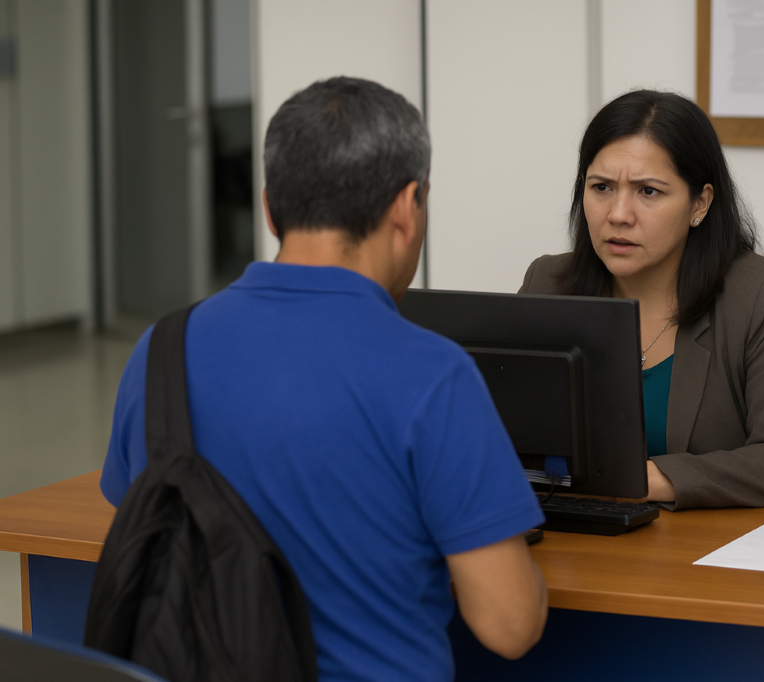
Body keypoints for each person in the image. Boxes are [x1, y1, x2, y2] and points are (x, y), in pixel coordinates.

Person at [101, 76, 547, 681]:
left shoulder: (161, 349)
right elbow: (510, 626)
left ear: (269, 208)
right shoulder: (432, 374)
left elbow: (142, 528)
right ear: (407, 207)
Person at [520, 90, 764, 510]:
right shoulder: (548, 283)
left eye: (648, 191)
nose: (618, 214)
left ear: (700, 203)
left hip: (707, 543)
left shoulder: (760, 295)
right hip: (580, 535)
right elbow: (502, 436)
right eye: (602, 187)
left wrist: (648, 480)